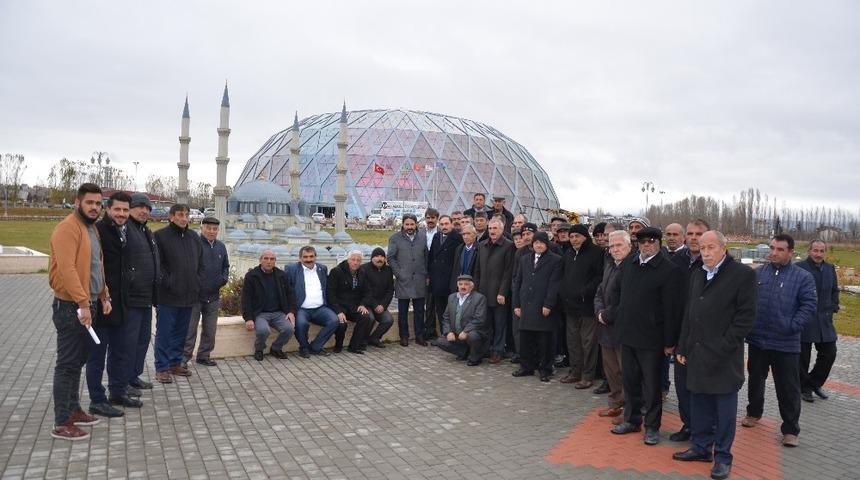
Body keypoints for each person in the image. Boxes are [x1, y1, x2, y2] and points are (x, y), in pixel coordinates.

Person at [673, 231, 757, 480]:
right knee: (699, 405)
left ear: (724, 247)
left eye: (711, 247)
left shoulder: (743, 275)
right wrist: (682, 347)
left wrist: (724, 345)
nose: (706, 252)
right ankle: (700, 448)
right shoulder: (698, 273)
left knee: (723, 412)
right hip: (696, 354)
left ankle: (722, 456)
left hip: (723, 356)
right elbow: (690, 313)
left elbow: (746, 318)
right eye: (702, 247)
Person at [48, 183, 110, 440]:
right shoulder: (67, 229)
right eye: (90, 203)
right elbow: (67, 270)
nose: (95, 207)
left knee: (78, 362)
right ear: (78, 202)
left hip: (88, 303)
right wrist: (83, 304)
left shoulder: (91, 229)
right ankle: (62, 422)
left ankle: (73, 410)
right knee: (67, 364)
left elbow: (96, 266)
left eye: (98, 203)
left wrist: (103, 295)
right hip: (71, 306)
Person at [743, 234, 817, 447]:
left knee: (787, 387)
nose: (774, 253)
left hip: (786, 343)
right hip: (758, 340)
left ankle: (790, 429)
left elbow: (809, 306)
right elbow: (747, 302)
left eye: (780, 249)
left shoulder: (802, 277)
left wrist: (792, 326)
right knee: (755, 379)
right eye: (772, 248)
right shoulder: (758, 274)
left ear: (790, 252)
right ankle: (753, 413)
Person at [610, 226, 681, 446]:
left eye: (651, 241)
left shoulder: (668, 269)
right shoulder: (629, 265)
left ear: (658, 243)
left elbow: (672, 309)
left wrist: (670, 342)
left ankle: (652, 427)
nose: (646, 245)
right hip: (628, 335)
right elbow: (618, 294)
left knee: (651, 387)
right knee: (630, 382)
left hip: (652, 339)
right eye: (642, 242)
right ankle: (632, 420)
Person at [86, 191, 140, 419]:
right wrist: (101, 296)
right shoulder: (99, 231)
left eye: (125, 210)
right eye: (117, 209)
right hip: (102, 303)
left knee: (121, 351)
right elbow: (94, 267)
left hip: (122, 303)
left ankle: (117, 391)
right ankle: (97, 400)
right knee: (97, 355)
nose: (121, 214)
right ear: (108, 209)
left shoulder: (126, 231)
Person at [666, 218, 709, 442]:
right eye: (690, 234)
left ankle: (703, 430)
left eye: (698, 234)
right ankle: (688, 425)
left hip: (703, 337)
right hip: (680, 333)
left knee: (700, 387)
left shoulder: (712, 263)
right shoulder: (676, 260)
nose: (693, 238)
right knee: (682, 385)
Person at [153, 204, 202, 384]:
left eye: (187, 214)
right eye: (180, 214)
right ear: (171, 216)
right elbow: (159, 265)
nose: (184, 218)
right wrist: (169, 282)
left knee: (181, 333)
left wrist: (197, 282)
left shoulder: (193, 237)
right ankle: (162, 368)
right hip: (168, 295)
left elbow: (200, 263)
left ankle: (175, 363)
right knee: (165, 333)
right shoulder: (160, 236)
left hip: (189, 294)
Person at [512, 232, 562, 382]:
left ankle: (545, 369)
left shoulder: (555, 260)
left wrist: (548, 304)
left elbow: (554, 285)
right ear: (532, 244)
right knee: (526, 339)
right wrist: (516, 304)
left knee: (545, 341)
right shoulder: (524, 259)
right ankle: (526, 366)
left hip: (543, 306)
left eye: (541, 242)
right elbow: (518, 282)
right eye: (536, 243)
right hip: (526, 305)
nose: (538, 245)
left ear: (547, 244)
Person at [594, 230, 633, 425]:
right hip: (606, 328)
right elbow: (600, 292)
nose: (615, 249)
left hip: (622, 329)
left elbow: (628, 300)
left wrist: (607, 315)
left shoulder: (632, 267)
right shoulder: (610, 265)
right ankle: (615, 403)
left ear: (629, 246)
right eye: (612, 246)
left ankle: (630, 411)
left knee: (627, 371)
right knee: (611, 370)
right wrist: (599, 311)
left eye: (619, 245)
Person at [559, 224, 604, 389]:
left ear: (585, 237)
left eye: (577, 236)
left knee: (588, 342)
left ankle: (588, 375)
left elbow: (600, 277)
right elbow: (562, 275)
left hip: (587, 307)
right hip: (570, 306)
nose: (574, 239)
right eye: (571, 237)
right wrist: (563, 292)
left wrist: (585, 291)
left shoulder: (596, 253)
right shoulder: (569, 253)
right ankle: (575, 372)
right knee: (573, 342)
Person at [796, 239, 840, 402]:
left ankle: (813, 383)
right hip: (805, 319)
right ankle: (802, 387)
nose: (818, 254)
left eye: (822, 251)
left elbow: (834, 290)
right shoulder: (799, 268)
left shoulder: (829, 268)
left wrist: (833, 305)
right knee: (803, 358)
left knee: (830, 353)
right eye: (815, 250)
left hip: (824, 320)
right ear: (809, 251)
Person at [183, 217, 229, 367]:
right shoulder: (194, 245)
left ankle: (204, 355)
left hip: (213, 296)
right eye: (208, 228)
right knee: (190, 330)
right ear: (202, 228)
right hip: (195, 297)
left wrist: (223, 279)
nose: (211, 231)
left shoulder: (221, 247)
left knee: (210, 330)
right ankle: (184, 358)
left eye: (214, 229)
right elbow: (188, 268)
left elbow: (225, 267)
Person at [125, 194, 159, 392]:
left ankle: (133, 375)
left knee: (142, 340)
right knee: (127, 343)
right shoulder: (126, 230)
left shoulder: (145, 231)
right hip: (132, 298)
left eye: (147, 208)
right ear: (130, 208)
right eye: (139, 207)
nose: (144, 211)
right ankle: (122, 381)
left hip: (146, 297)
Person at [286, 246, 340, 357]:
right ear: (300, 258)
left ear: (315, 257)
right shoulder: (292, 269)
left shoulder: (322, 269)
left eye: (311, 256)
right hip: (302, 308)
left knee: (334, 320)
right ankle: (304, 348)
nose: (309, 259)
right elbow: (287, 291)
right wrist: (290, 310)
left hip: (320, 308)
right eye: (305, 257)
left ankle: (315, 347)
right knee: (301, 324)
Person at [242, 250, 294, 360]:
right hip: (260, 313)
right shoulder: (252, 276)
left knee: (289, 328)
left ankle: (276, 348)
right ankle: (259, 349)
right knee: (263, 330)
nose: (269, 262)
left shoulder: (281, 275)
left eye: (272, 259)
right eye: (266, 258)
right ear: (260, 260)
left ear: (275, 261)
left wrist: (290, 311)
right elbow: (246, 299)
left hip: (278, 312)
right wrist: (248, 318)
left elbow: (290, 295)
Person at [387, 214, 429, 347]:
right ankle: (404, 336)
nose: (409, 227)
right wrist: (399, 273)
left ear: (416, 224)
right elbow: (391, 258)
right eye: (407, 224)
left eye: (412, 224)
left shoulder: (423, 237)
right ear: (403, 225)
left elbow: (426, 256)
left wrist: (426, 274)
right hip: (403, 280)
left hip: (419, 279)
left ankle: (419, 336)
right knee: (403, 311)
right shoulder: (395, 238)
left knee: (419, 311)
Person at [478, 217, 515, 363]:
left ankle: (498, 350)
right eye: (490, 229)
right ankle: (486, 349)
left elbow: (508, 272)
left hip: (499, 294)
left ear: (502, 230)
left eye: (495, 229)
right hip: (483, 292)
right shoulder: (482, 245)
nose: (492, 231)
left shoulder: (508, 246)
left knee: (500, 324)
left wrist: (502, 292)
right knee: (485, 323)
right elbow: (477, 269)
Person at [328, 251, 374, 354]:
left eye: (358, 260)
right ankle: (338, 345)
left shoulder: (362, 272)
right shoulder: (337, 271)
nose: (355, 262)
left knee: (365, 317)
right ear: (348, 260)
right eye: (353, 260)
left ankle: (354, 346)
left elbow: (368, 292)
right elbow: (330, 294)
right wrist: (338, 311)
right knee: (342, 323)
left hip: (354, 306)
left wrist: (363, 304)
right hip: (340, 306)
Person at [436, 275, 488, 366]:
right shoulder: (452, 297)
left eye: (466, 284)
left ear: (471, 286)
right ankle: (465, 352)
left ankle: (476, 357)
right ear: (457, 286)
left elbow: (479, 319)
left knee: (472, 336)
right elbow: (446, 317)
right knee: (441, 341)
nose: (463, 287)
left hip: (473, 333)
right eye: (460, 284)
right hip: (457, 334)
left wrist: (466, 331)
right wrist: (448, 332)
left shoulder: (479, 298)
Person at [427, 215, 463, 339]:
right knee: (440, 310)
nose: (444, 227)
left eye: (446, 224)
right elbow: (431, 256)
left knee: (452, 311)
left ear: (452, 224)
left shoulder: (458, 238)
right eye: (441, 224)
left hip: (450, 281)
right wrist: (429, 275)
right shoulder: (437, 237)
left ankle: (453, 335)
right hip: (437, 280)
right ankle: (444, 334)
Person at [360, 248, 395, 347]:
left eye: (382, 256)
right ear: (372, 258)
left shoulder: (388, 270)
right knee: (369, 318)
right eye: (376, 256)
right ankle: (363, 340)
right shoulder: (364, 269)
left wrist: (383, 305)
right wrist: (375, 305)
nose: (379, 259)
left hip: (381, 304)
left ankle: (374, 338)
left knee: (388, 320)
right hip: (366, 303)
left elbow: (390, 290)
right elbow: (366, 291)